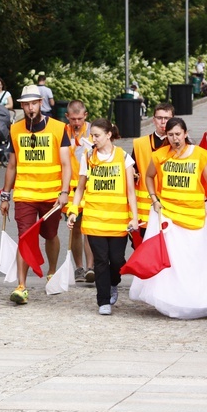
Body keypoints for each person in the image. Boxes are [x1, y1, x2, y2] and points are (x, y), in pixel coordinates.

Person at [130, 117, 207, 319]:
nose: (174, 139)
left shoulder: (199, 155)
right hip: (169, 214)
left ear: (185, 133)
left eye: (178, 134)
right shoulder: (160, 155)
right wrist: (154, 198)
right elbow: (148, 176)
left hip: (195, 213)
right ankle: (174, 300)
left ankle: (198, 299)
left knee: (195, 259)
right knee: (174, 261)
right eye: (170, 135)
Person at [0, 85, 71, 304]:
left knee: (50, 235)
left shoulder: (59, 129)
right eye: (26, 104)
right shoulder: (15, 129)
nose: (30, 108)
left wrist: (64, 192)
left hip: (51, 195)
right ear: (21, 106)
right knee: (25, 237)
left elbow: (67, 164)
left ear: (41, 103)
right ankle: (21, 286)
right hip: (25, 194)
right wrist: (5, 196)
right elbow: (12, 165)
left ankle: (51, 271)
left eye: (34, 103)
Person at [67, 118, 138, 315]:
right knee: (100, 260)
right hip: (94, 220)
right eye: (92, 136)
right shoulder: (88, 157)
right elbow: (80, 188)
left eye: (97, 135)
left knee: (116, 260)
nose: (93, 139)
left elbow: (130, 191)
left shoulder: (124, 158)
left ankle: (113, 282)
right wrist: (73, 210)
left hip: (118, 221)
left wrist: (134, 217)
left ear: (109, 135)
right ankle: (103, 300)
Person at [131, 103, 173, 237]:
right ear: (153, 120)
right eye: (159, 118)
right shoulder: (139, 144)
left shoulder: (180, 143)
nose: (163, 122)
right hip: (145, 209)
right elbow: (133, 170)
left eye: (166, 118)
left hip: (171, 206)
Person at [65, 100, 95, 283]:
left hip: (90, 186)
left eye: (79, 118)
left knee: (89, 228)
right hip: (70, 188)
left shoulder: (93, 131)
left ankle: (90, 267)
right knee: (76, 229)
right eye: (73, 119)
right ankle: (78, 267)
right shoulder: (62, 132)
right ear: (67, 117)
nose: (76, 122)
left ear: (85, 116)